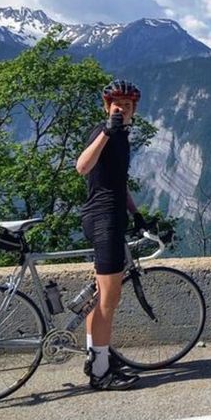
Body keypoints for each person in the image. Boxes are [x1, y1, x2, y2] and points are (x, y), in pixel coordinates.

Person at [75, 79, 154, 390]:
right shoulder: (104, 133)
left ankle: (98, 356)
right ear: (107, 107)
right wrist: (106, 132)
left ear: (134, 109)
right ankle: (100, 373)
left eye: (128, 105)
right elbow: (82, 166)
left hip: (113, 217)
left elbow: (118, 184)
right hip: (103, 220)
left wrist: (137, 215)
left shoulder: (123, 137)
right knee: (108, 300)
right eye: (117, 104)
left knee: (100, 298)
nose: (123, 108)